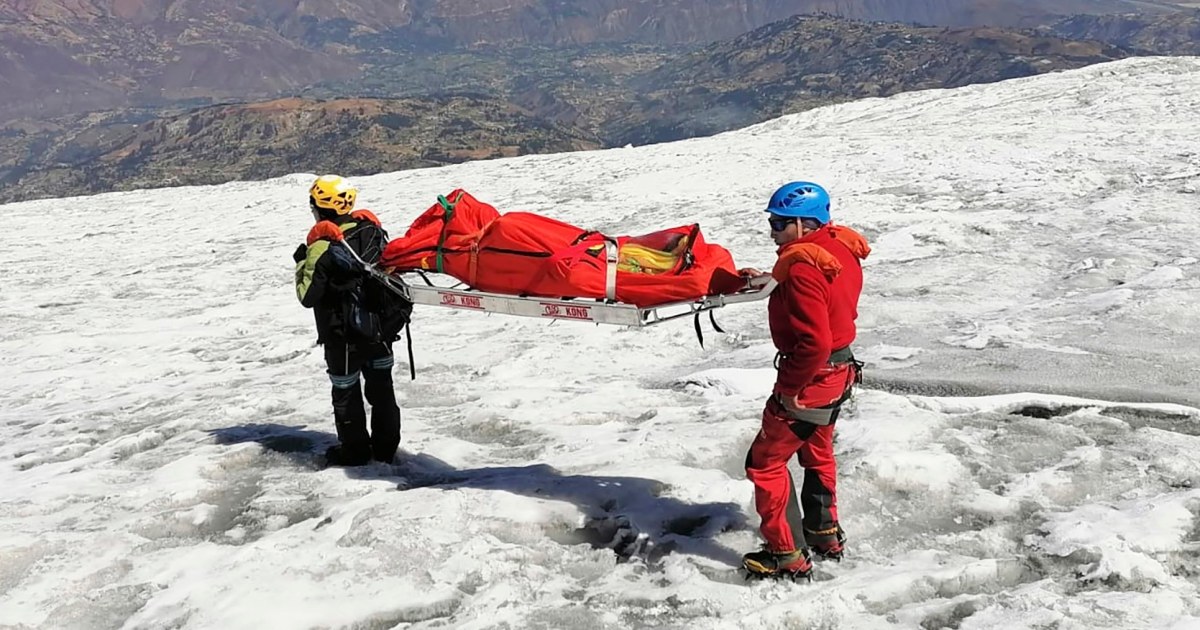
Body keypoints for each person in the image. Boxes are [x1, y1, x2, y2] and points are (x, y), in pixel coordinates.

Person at [739, 181, 871, 579]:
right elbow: (824, 291)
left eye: (779, 224)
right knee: (817, 452)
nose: (773, 231)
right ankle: (823, 532)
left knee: (765, 462)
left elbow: (814, 342)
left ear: (802, 222)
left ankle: (784, 554)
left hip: (813, 377)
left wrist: (789, 391)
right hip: (840, 371)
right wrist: (770, 278)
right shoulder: (837, 246)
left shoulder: (800, 268)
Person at [294, 174, 404, 467]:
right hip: (380, 330)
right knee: (382, 390)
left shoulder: (321, 245)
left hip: (342, 336)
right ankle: (386, 450)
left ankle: (354, 453)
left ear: (319, 207)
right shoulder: (373, 231)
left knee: (346, 393)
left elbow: (307, 296)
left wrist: (302, 262)